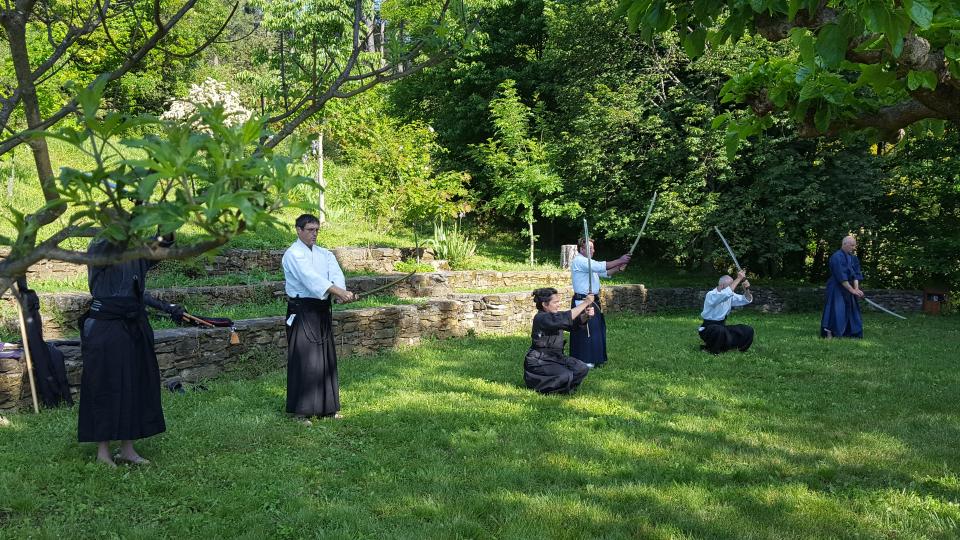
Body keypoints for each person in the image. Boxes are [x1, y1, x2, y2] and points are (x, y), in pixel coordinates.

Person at [78, 236, 185, 467]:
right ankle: (103, 453)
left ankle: (127, 448)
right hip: (106, 325)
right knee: (105, 385)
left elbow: (159, 249)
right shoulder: (100, 245)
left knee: (135, 385)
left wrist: (166, 230)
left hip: (134, 324)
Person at [282, 214, 355, 424]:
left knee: (325, 359)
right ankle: (301, 411)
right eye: (310, 230)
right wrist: (337, 292)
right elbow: (310, 278)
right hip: (302, 309)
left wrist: (340, 293)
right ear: (298, 230)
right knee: (304, 359)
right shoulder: (293, 254)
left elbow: (336, 273)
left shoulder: (325, 254)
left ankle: (328, 408)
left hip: (322, 309)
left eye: (317, 230)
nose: (314, 234)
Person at [569, 238, 630, 367]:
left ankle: (596, 358)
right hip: (583, 301)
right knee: (585, 329)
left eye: (593, 247)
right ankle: (585, 360)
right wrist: (621, 260)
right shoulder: (580, 261)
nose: (593, 250)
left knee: (596, 329)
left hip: (593, 300)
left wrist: (619, 268)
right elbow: (602, 266)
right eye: (589, 248)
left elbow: (605, 272)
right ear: (581, 249)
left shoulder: (589, 263)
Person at [524, 288, 596, 394]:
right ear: (544, 304)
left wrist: (585, 316)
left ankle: (564, 387)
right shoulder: (541, 318)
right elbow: (563, 318)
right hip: (539, 361)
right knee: (565, 375)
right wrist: (585, 303)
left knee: (581, 368)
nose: (558, 304)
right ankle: (542, 386)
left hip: (556, 357)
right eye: (555, 302)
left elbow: (571, 324)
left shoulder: (554, 316)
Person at [698, 269, 754, 354]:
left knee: (747, 329)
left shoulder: (730, 295)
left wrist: (746, 289)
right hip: (708, 328)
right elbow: (725, 294)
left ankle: (738, 348)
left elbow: (746, 299)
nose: (733, 288)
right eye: (730, 285)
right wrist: (738, 278)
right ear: (722, 285)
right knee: (719, 330)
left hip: (722, 327)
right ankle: (711, 349)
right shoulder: (711, 294)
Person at [821, 235, 864, 338]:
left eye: (855, 245)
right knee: (835, 310)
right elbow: (841, 277)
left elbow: (856, 274)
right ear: (845, 244)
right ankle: (830, 334)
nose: (854, 248)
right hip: (836, 287)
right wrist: (852, 290)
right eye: (852, 245)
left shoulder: (853, 258)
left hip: (849, 287)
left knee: (851, 310)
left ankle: (850, 333)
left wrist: (856, 288)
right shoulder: (836, 257)